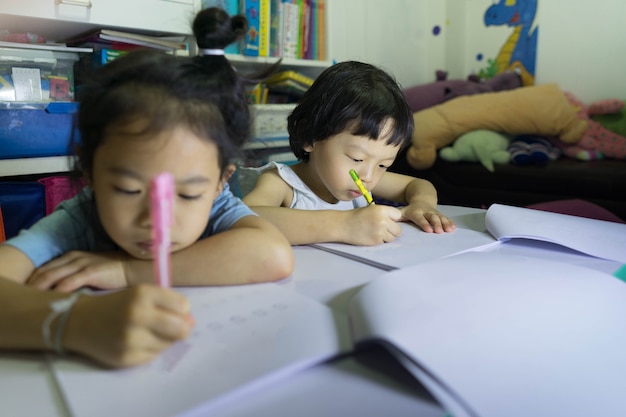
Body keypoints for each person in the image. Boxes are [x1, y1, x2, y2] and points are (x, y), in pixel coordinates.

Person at [0, 8, 292, 367]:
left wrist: (125, 271)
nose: (158, 220)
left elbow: (272, 256)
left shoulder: (217, 205)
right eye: (127, 189)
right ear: (89, 172)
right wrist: (75, 322)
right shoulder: (81, 218)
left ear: (220, 181)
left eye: (186, 195)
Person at [243, 61, 457, 246]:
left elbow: (419, 185)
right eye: (357, 158)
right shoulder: (281, 184)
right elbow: (243, 218)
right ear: (309, 136)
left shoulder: (361, 179)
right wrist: (344, 225)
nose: (369, 177)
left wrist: (422, 205)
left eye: (384, 165)